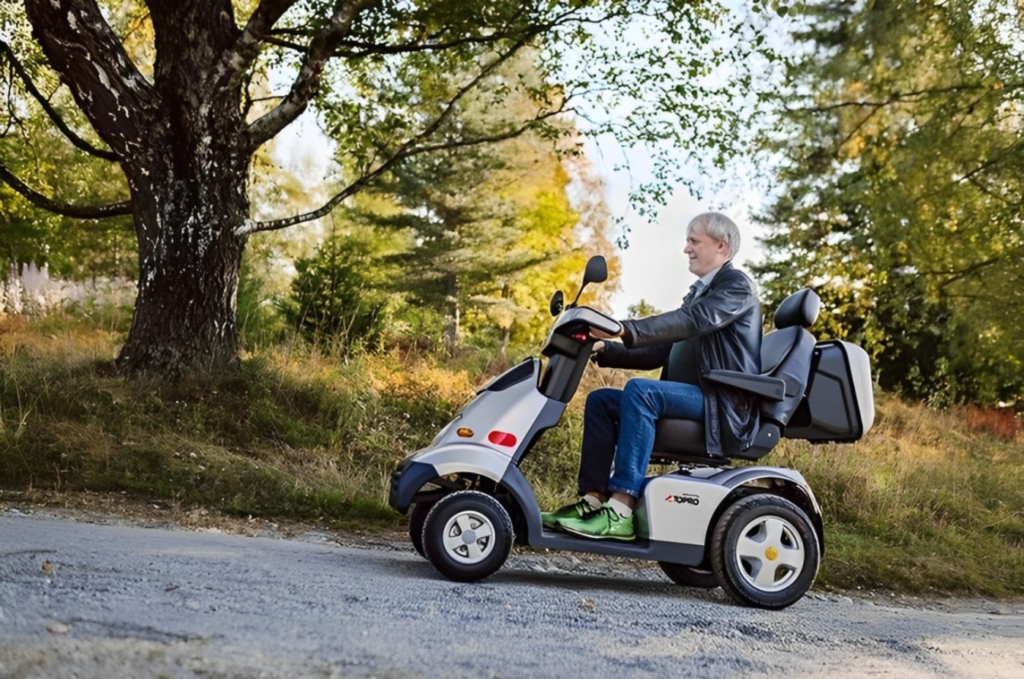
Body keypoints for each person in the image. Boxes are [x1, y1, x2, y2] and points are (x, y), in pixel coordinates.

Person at [541, 212, 762, 540]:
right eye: (687, 240)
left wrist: (625, 329)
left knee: (641, 392)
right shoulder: (699, 293)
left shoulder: (735, 286)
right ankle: (593, 499)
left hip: (720, 403)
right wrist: (606, 347)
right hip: (694, 397)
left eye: (693, 241)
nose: (686, 248)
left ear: (721, 246)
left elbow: (692, 321)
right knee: (601, 401)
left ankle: (621, 507)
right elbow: (662, 351)